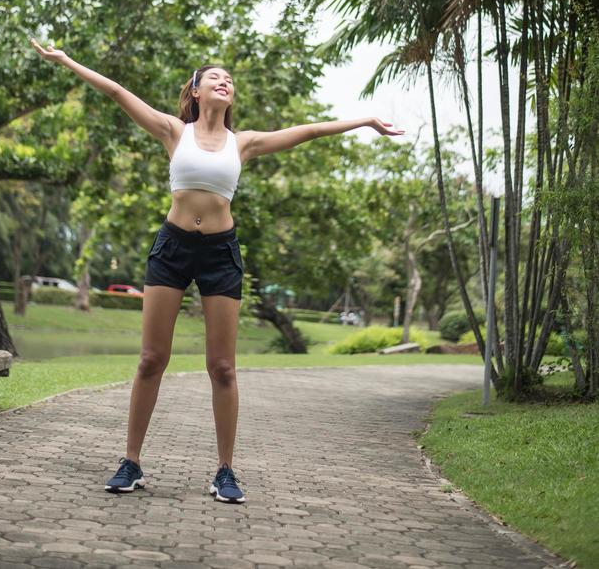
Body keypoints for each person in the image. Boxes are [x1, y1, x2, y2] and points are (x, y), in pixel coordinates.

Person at [29, 38, 404, 502]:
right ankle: (131, 462)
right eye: (215, 77)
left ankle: (225, 470)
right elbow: (116, 92)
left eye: (229, 79)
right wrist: (66, 60)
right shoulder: (173, 131)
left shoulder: (242, 143)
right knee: (151, 360)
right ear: (196, 90)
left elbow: (308, 130)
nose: (225, 82)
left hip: (220, 252)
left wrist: (364, 121)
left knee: (223, 368)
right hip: (173, 247)